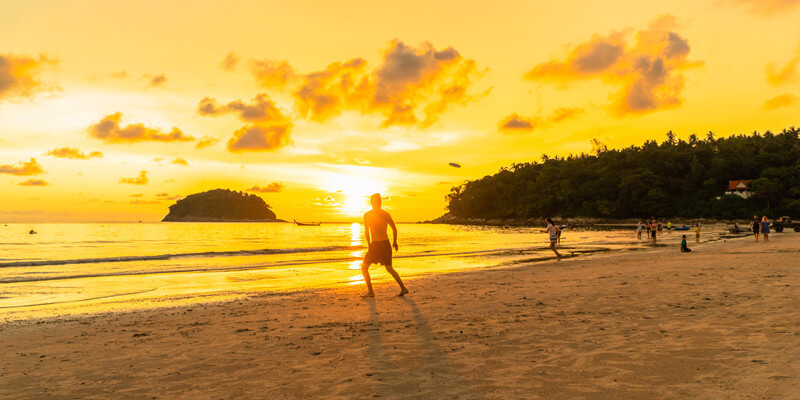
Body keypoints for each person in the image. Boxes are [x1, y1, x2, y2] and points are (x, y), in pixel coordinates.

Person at [360, 193, 408, 298]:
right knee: (385, 268)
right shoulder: (370, 215)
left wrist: (394, 242)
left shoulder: (378, 214)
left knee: (372, 268)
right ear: (372, 202)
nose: (376, 202)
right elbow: (367, 232)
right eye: (375, 200)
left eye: (377, 200)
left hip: (380, 244)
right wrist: (394, 242)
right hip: (382, 244)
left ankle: (372, 292)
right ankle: (402, 288)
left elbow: (393, 228)